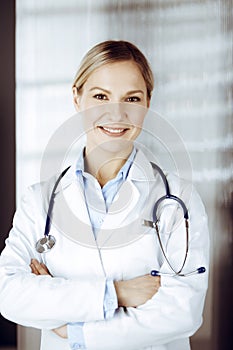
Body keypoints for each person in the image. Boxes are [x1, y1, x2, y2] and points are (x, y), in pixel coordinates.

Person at [0, 40, 209, 350]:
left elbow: (182, 312)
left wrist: (72, 329)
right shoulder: (39, 201)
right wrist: (117, 293)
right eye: (100, 96)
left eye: (132, 98)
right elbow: (10, 294)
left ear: (148, 103)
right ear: (77, 97)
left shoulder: (178, 199)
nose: (117, 113)